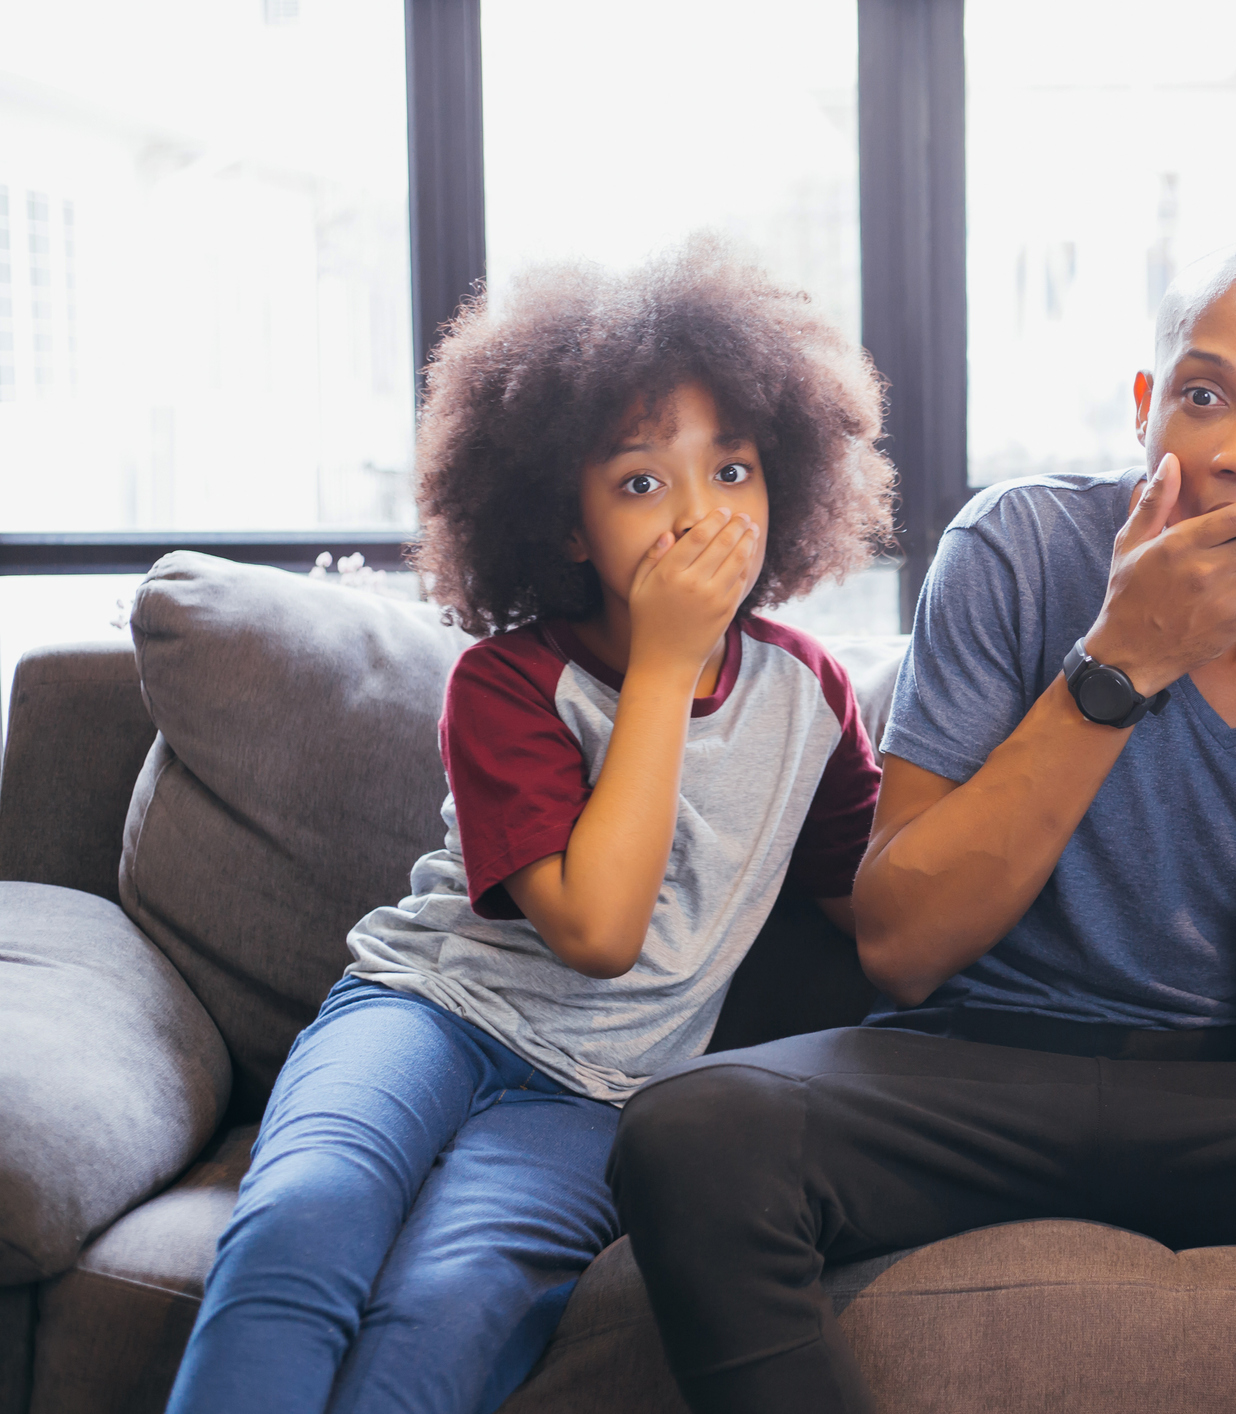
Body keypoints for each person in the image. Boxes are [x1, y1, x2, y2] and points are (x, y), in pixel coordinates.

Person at [612, 239, 1236, 1414]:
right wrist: (1123, 657)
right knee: (689, 1137)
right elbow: (899, 944)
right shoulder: (1019, 550)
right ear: (1148, 410)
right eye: (1204, 396)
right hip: (985, 1062)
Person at [166, 235, 896, 1414]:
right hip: (428, 1011)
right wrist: (663, 665)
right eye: (642, 482)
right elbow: (598, 928)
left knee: (453, 1303)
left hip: (600, 1094)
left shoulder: (809, 699)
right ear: (567, 526)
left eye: (736, 470)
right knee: (302, 1221)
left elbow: (889, 907)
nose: (699, 517)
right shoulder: (508, 684)